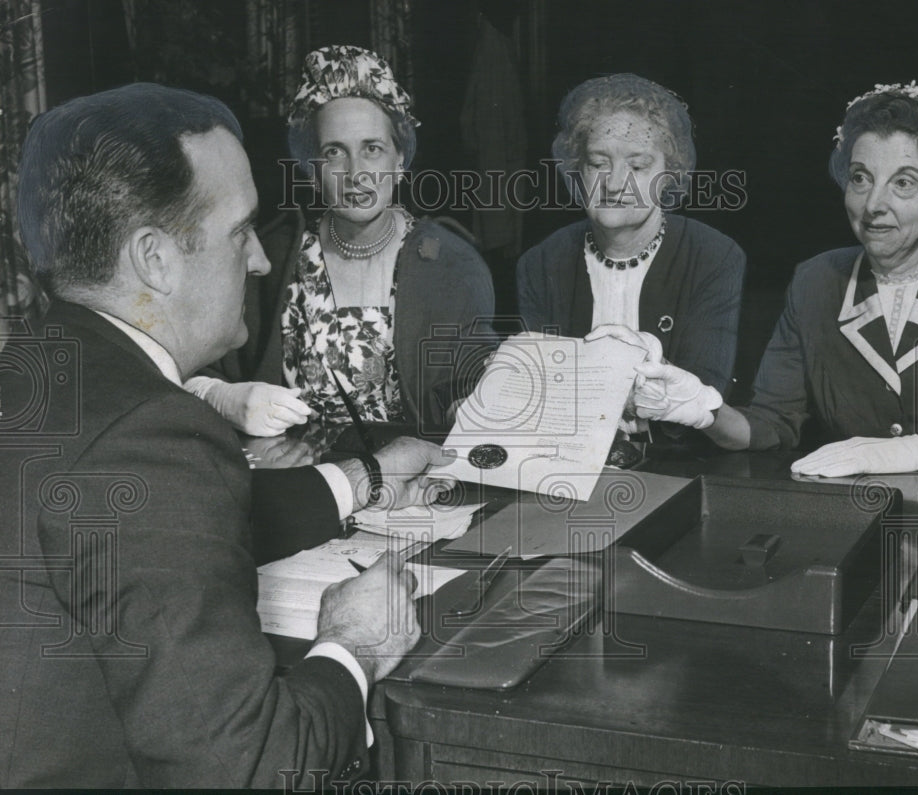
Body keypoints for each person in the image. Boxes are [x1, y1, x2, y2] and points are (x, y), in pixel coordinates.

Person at [0, 82, 451, 788]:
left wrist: (363, 477)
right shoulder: (148, 434)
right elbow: (253, 767)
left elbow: (154, 528)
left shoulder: (35, 370)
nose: (261, 262)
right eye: (240, 232)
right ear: (154, 258)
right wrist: (353, 646)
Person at [592, 81, 918, 476]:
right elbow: (771, 426)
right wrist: (701, 407)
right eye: (861, 178)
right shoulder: (816, 281)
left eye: (904, 183)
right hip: (855, 523)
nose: (874, 203)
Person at [185, 45, 496, 438]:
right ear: (312, 170)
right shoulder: (270, 258)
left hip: (417, 479)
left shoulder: (453, 263)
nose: (356, 174)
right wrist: (223, 397)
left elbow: (475, 381)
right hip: (304, 485)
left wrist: (470, 408)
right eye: (335, 153)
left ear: (399, 161)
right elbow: (191, 370)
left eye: (372, 149)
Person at [516, 73, 745, 450]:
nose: (614, 182)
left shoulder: (713, 256)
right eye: (597, 162)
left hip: (681, 471)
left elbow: (705, 392)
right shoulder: (540, 263)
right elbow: (541, 395)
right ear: (579, 168)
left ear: (668, 174)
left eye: (637, 166)